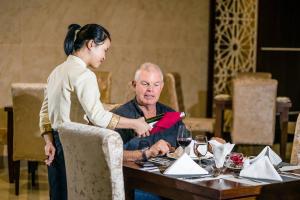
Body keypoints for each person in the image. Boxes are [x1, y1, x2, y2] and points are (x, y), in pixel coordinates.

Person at [39, 24, 151, 200]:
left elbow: (44, 113)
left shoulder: (56, 71)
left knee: (59, 195)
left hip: (57, 144)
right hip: (77, 146)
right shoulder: (84, 75)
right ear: (91, 44)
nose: (105, 56)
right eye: (104, 50)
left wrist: (48, 141)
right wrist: (135, 123)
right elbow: (97, 117)